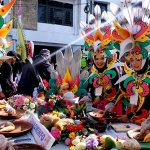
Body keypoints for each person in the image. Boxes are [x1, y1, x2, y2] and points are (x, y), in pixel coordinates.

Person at [109, 0, 150, 125]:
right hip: (129, 124)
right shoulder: (130, 74)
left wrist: (130, 116)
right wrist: (111, 104)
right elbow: (122, 92)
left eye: (138, 60)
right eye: (132, 60)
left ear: (145, 58)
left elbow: (148, 102)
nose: (135, 63)